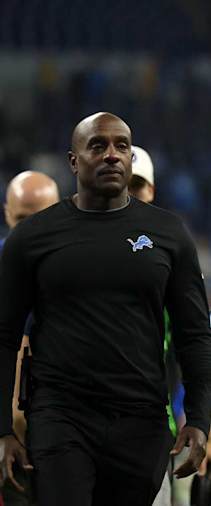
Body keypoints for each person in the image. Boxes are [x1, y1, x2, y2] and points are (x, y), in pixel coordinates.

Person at [0, 112, 211, 505]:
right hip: (60, 418)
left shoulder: (169, 233)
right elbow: (4, 337)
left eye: (122, 146)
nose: (112, 155)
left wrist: (200, 420)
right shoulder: (32, 237)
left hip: (142, 422)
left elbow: (195, 335)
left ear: (132, 157)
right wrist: (2, 429)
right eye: (97, 146)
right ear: (73, 160)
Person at [127, 145, 211, 506]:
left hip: (153, 435)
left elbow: (192, 350)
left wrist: (208, 431)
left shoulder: (172, 260)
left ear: (151, 192)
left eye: (137, 186)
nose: (129, 194)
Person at [0, 171, 59, 506]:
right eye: (21, 219)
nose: (29, 230)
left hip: (69, 434)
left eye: (39, 219)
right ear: (6, 213)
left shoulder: (84, 270)